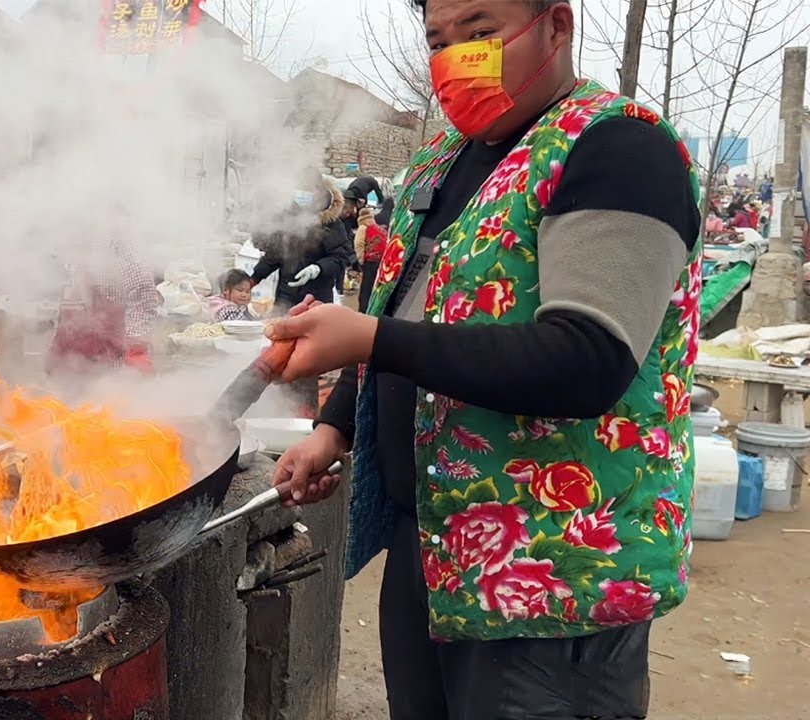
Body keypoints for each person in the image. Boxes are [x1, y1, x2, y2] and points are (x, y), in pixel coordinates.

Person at [266, 1, 702, 718]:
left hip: (555, 579)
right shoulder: (443, 160)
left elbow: (590, 358)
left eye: (480, 32)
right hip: (432, 551)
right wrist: (336, 426)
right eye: (439, 40)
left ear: (556, 26)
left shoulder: (618, 149)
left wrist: (370, 341)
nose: (455, 59)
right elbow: (392, 311)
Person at [46, 234, 161, 378]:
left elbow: (142, 293)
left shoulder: (115, 235)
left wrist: (136, 349)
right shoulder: (67, 231)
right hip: (69, 353)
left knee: (105, 396)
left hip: (107, 359)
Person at [249, 169, 353, 312]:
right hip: (285, 294)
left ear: (317, 190)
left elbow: (340, 257)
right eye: (299, 188)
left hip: (316, 297)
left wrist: (317, 268)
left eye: (307, 189)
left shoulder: (331, 222)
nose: (301, 193)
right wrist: (254, 278)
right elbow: (276, 254)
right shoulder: (288, 217)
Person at [354, 184, 397, 313]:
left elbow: (359, 243)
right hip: (384, 259)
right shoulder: (393, 220)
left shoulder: (367, 225)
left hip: (370, 261)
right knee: (377, 286)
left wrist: (360, 260)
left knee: (366, 288)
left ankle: (363, 311)